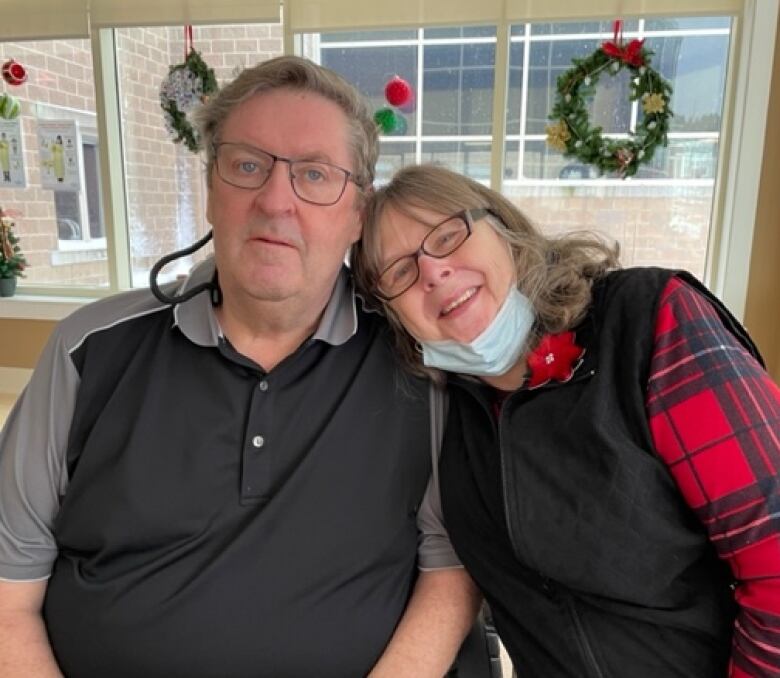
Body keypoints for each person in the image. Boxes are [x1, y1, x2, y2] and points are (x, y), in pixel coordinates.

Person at [0, 58, 481, 677]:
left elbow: (449, 576)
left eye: (314, 173)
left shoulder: (416, 361)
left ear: (357, 213)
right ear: (210, 191)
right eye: (247, 165)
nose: (276, 200)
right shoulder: (86, 352)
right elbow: (9, 595)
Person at [352, 163, 780, 678]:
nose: (433, 271)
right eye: (399, 271)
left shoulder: (648, 323)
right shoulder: (448, 413)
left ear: (503, 229)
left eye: (447, 235)